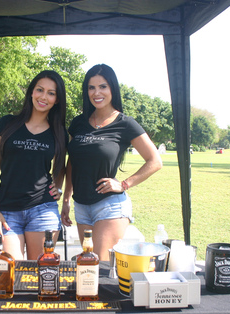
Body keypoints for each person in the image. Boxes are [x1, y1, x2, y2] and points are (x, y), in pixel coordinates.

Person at [61, 64, 162, 261]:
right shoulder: (78, 123)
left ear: (112, 89)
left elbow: (155, 161)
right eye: (91, 87)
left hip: (109, 206)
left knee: (98, 265)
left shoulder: (125, 123)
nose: (96, 92)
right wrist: (66, 199)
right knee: (89, 264)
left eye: (103, 86)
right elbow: (72, 162)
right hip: (81, 206)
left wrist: (124, 184)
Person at [0, 70, 67, 260]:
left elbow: (62, 166)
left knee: (39, 273)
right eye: (40, 90)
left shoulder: (59, 132)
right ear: (31, 92)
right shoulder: (7, 124)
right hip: (6, 211)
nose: (43, 97)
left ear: (57, 100)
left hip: (43, 209)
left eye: (51, 93)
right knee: (12, 271)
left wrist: (59, 186)